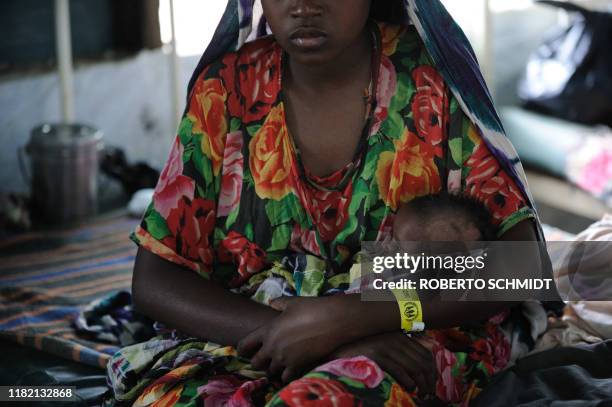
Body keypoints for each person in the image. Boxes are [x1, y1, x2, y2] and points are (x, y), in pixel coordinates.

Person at [106, 0, 548, 405]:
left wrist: (354, 317)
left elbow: (519, 267)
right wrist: (304, 335)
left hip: (409, 334)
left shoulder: (431, 80)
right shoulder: (226, 89)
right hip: (254, 333)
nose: (304, 5)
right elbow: (156, 279)